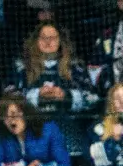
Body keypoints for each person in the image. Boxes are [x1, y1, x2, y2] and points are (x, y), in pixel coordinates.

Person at [6, 23, 98, 154]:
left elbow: (93, 98)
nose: (48, 42)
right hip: (32, 132)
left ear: (60, 41)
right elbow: (8, 96)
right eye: (43, 37)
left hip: (69, 133)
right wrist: (37, 95)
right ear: (36, 40)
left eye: (53, 38)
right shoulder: (21, 66)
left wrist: (66, 96)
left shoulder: (75, 66)